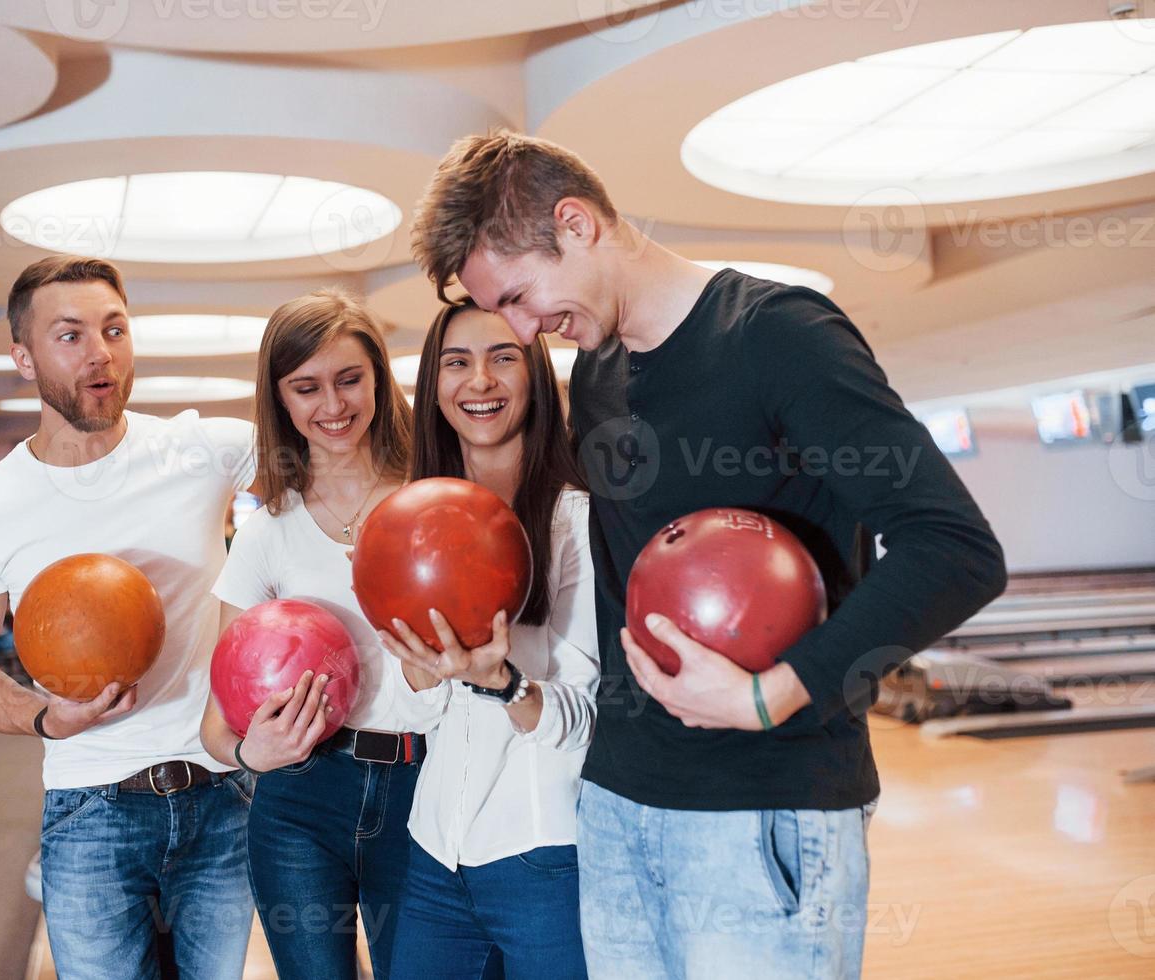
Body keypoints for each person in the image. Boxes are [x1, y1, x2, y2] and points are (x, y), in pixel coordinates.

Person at [410, 132, 1008, 978]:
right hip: (616, 808)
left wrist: (773, 693)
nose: (520, 329)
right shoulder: (599, 374)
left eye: (516, 295)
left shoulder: (779, 335)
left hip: (763, 810)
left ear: (575, 224)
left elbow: (954, 548)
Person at [0, 255, 256, 980]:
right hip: (91, 810)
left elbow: (336, 468)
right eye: (70, 335)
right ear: (23, 356)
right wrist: (46, 719)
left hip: (222, 795)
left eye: (114, 329)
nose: (101, 352)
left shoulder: (204, 450)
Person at [199, 289, 445, 980]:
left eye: (349, 380)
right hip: (302, 799)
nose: (332, 406)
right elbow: (217, 727)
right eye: (306, 387)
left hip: (427, 782)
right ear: (279, 400)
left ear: (377, 379)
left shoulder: (430, 500)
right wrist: (254, 751)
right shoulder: (267, 533)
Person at [379, 299, 597, 979]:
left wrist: (501, 680)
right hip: (433, 852)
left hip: (544, 860)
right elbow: (406, 712)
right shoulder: (414, 522)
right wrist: (422, 674)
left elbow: (581, 718)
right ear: (433, 384)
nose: (480, 381)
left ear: (534, 373)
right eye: (457, 362)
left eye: (503, 357)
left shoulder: (574, 518)